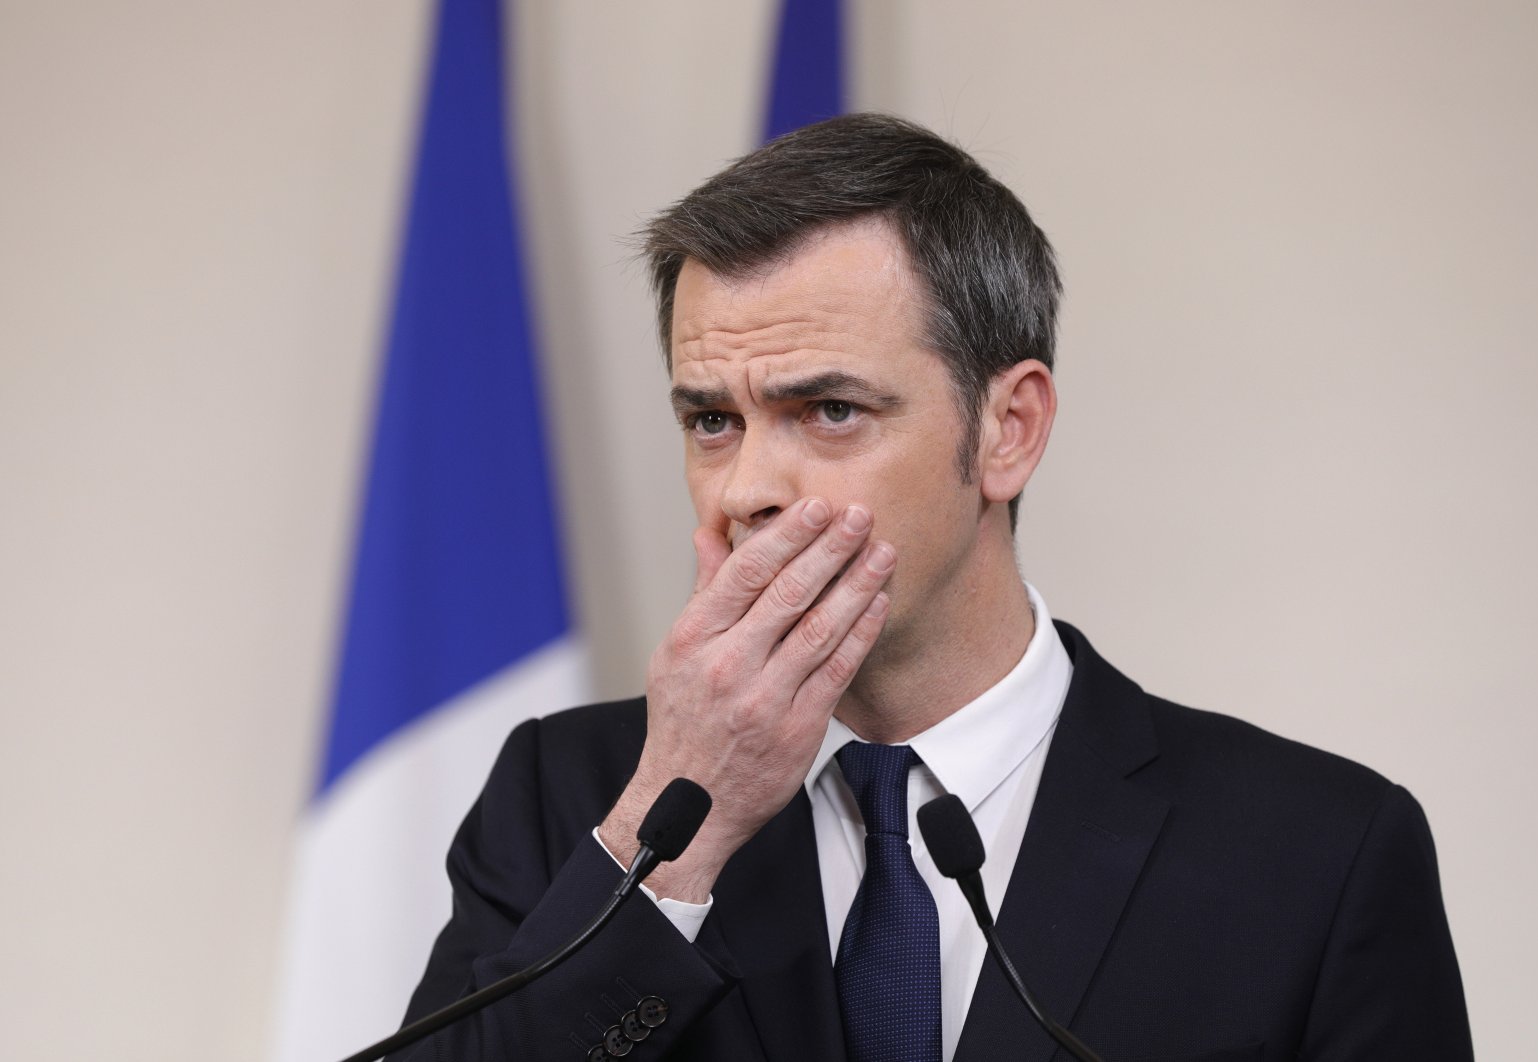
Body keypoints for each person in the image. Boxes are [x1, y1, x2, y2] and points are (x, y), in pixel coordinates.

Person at [392, 113, 1473, 1061]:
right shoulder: (570, 799)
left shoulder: (1316, 853)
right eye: (711, 419)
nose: (749, 489)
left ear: (1008, 431)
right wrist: (677, 830)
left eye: (830, 411)